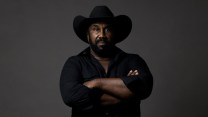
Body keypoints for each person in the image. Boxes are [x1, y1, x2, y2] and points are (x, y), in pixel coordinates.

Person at [59, 5, 153, 117]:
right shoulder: (74, 63)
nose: (102, 35)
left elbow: (144, 88)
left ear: (115, 34)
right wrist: (126, 95)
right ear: (88, 36)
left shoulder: (133, 60)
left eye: (107, 29)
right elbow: (71, 96)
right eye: (95, 29)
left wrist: (96, 83)